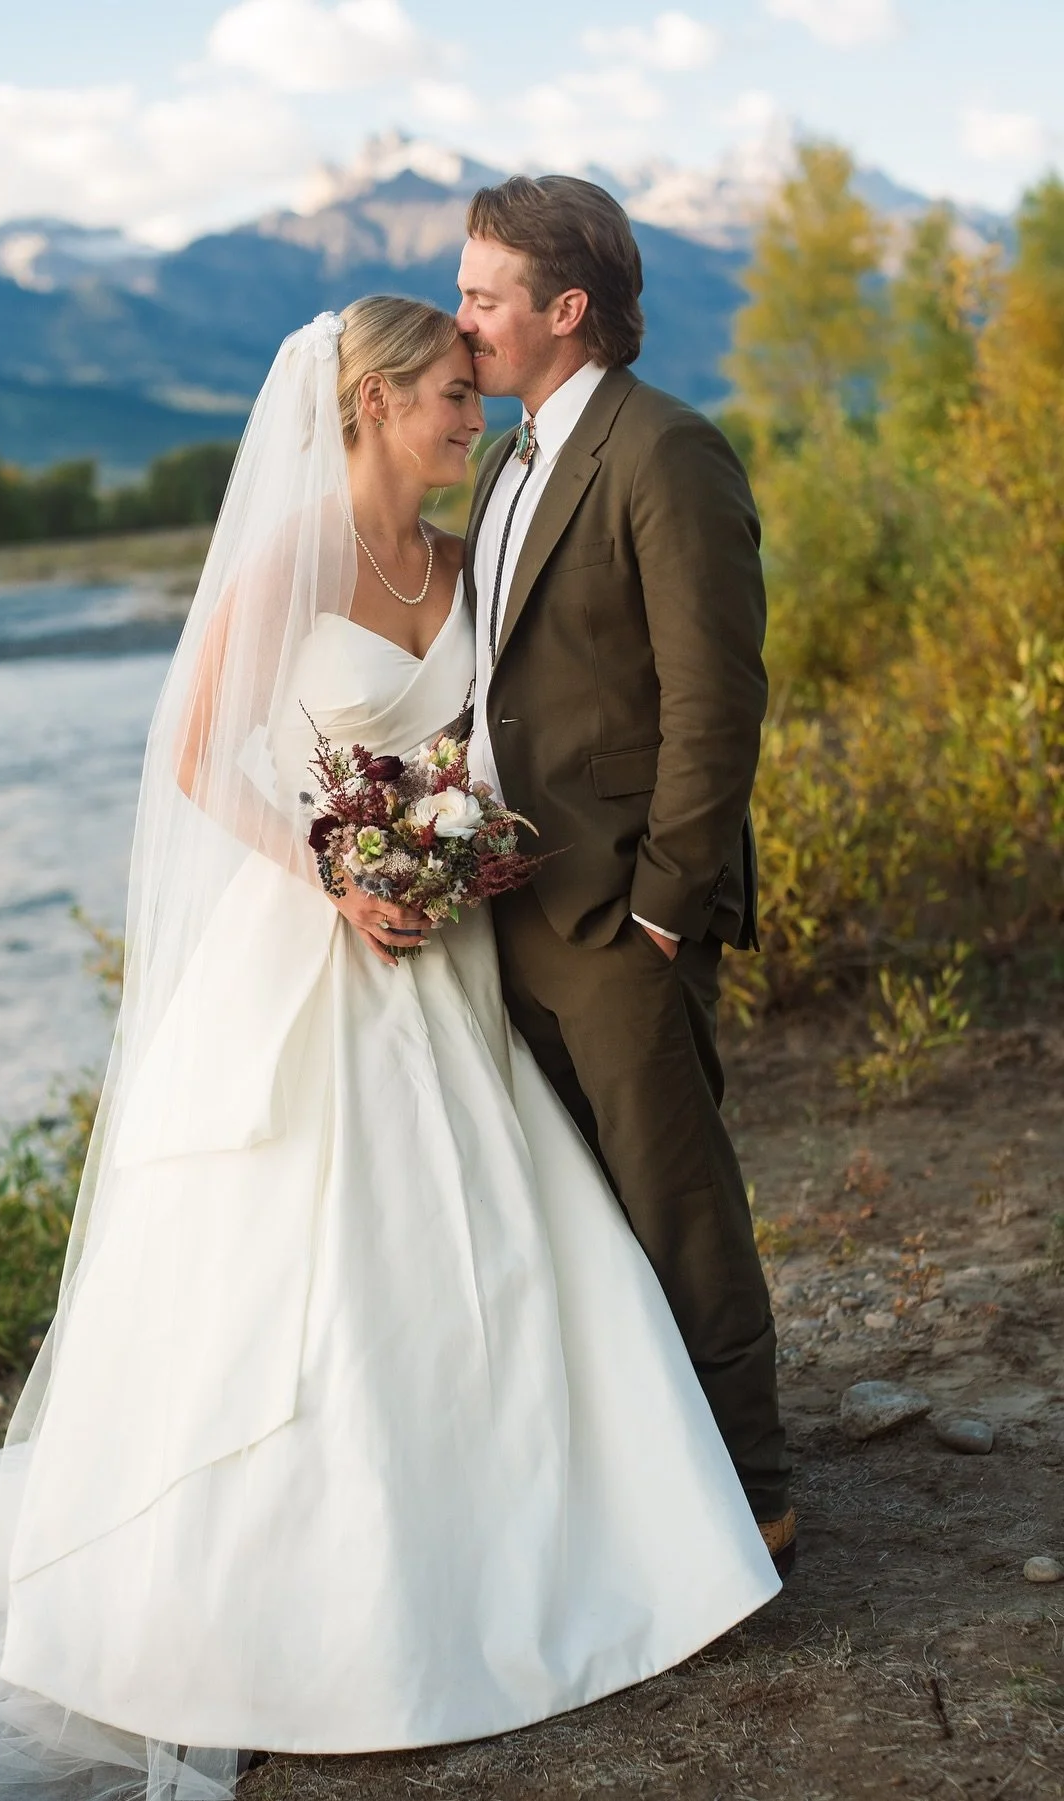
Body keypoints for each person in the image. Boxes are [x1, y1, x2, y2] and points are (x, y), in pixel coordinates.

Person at [0, 296, 779, 1801]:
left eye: (477, 400)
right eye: (450, 401)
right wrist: (333, 876)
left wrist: (460, 854)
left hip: (446, 946)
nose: (473, 421)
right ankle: (304, 1601)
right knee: (318, 1264)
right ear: (372, 405)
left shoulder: (464, 552)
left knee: (506, 1240)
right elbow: (198, 752)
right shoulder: (294, 555)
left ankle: (546, 1549)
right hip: (318, 942)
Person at [456, 174, 794, 1568]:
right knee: (581, 1217)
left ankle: (757, 1498)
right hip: (508, 904)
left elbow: (719, 701)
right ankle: (654, 1498)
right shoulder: (505, 457)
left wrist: (664, 907)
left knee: (676, 1202)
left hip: (618, 913)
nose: (461, 320)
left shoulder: (666, 453)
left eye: (484, 297)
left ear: (567, 309)